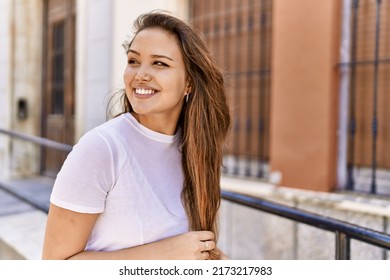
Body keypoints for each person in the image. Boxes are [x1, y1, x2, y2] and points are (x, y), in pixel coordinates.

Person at [42, 11, 230, 260]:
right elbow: (54, 265)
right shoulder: (101, 149)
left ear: (189, 83)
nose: (140, 74)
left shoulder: (196, 150)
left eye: (159, 63)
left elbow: (198, 250)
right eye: (133, 61)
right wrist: (162, 254)